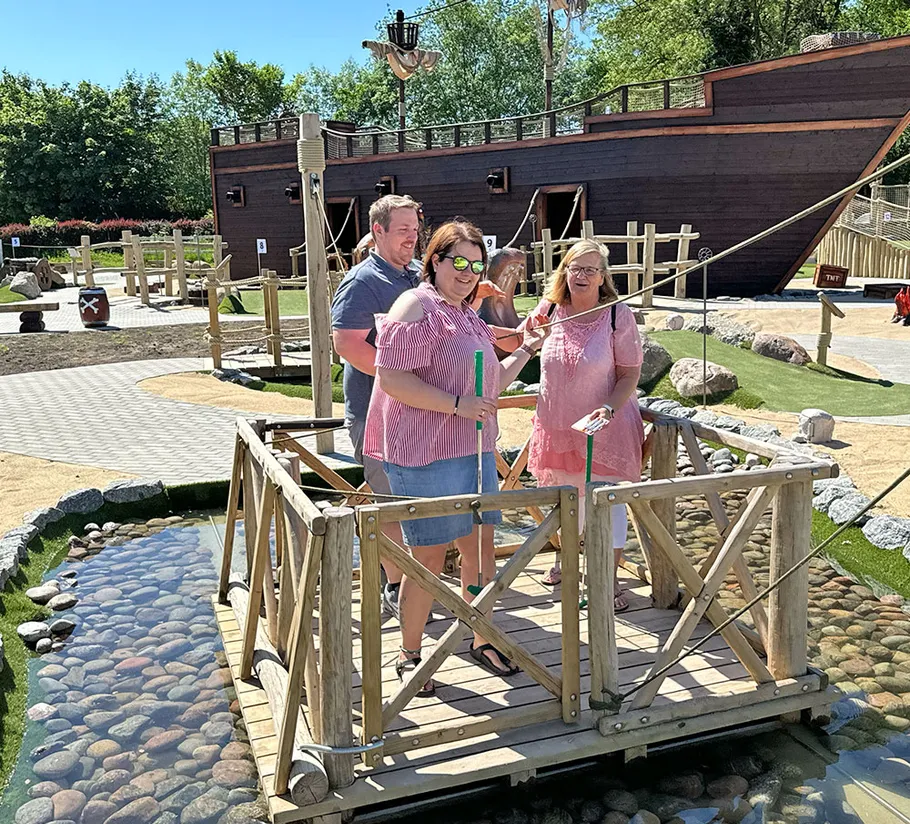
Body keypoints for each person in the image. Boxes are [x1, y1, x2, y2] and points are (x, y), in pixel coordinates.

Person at [363, 220, 547, 696]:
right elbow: (392, 379)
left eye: (475, 264)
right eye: (458, 262)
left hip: (476, 449)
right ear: (436, 261)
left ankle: (480, 636)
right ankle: (410, 654)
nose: (467, 272)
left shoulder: (466, 313)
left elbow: (490, 385)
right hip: (427, 453)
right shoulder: (416, 306)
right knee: (427, 557)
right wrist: (457, 405)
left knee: (481, 551)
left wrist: (527, 347)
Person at [524, 239, 644, 613]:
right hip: (557, 424)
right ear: (564, 271)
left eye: (590, 269)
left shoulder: (616, 315)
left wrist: (608, 409)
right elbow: (518, 342)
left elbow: (629, 374)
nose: (581, 275)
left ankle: (607, 582)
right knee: (564, 500)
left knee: (606, 503)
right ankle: (566, 561)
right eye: (575, 268)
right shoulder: (549, 310)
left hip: (603, 426)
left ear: (603, 276)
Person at [331, 194, 423, 617]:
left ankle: (422, 578)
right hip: (376, 413)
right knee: (388, 500)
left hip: (424, 410)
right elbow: (346, 344)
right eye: (402, 229)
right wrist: (398, 378)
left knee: (423, 495)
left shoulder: (420, 275)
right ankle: (395, 583)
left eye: (416, 228)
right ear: (378, 232)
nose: (412, 237)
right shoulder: (363, 281)